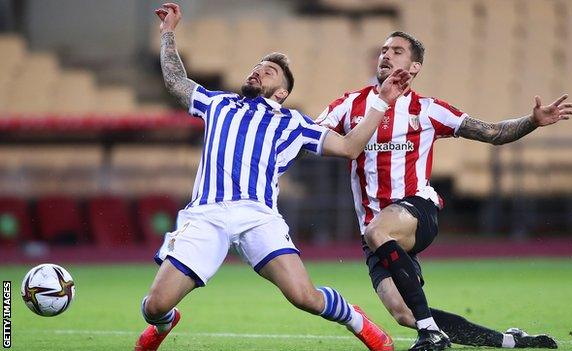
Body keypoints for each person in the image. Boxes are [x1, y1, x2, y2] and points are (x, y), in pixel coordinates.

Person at [135, 4, 412, 351]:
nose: (257, 72)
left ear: (281, 93)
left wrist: (383, 101)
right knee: (154, 306)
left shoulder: (293, 123)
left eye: (268, 72)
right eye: (256, 68)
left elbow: (350, 147)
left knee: (304, 296)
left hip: (259, 217)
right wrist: (168, 33)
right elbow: (176, 81)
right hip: (205, 215)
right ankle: (164, 323)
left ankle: (358, 322)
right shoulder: (217, 103)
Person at [316, 31, 572, 351]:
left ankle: (431, 334)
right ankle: (511, 341)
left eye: (397, 51)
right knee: (404, 312)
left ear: (415, 67)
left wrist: (532, 121)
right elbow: (310, 137)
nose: (386, 55)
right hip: (375, 231)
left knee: (379, 231)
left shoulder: (428, 110)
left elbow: (492, 133)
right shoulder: (349, 104)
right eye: (384, 50)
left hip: (415, 210)